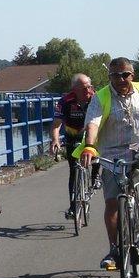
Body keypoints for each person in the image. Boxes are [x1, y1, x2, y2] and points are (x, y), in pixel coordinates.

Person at [75, 57, 139, 269]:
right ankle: (114, 250)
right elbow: (92, 123)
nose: (120, 79)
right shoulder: (101, 97)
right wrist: (90, 146)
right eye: (115, 75)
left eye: (125, 74)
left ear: (132, 75)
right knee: (112, 203)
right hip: (113, 152)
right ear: (109, 77)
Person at [50, 73, 95, 219]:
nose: (88, 91)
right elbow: (56, 126)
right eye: (84, 88)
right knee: (74, 171)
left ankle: (95, 176)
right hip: (72, 135)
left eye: (90, 87)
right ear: (74, 90)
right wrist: (55, 140)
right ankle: (73, 206)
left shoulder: (96, 99)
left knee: (95, 154)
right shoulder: (65, 101)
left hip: (91, 134)